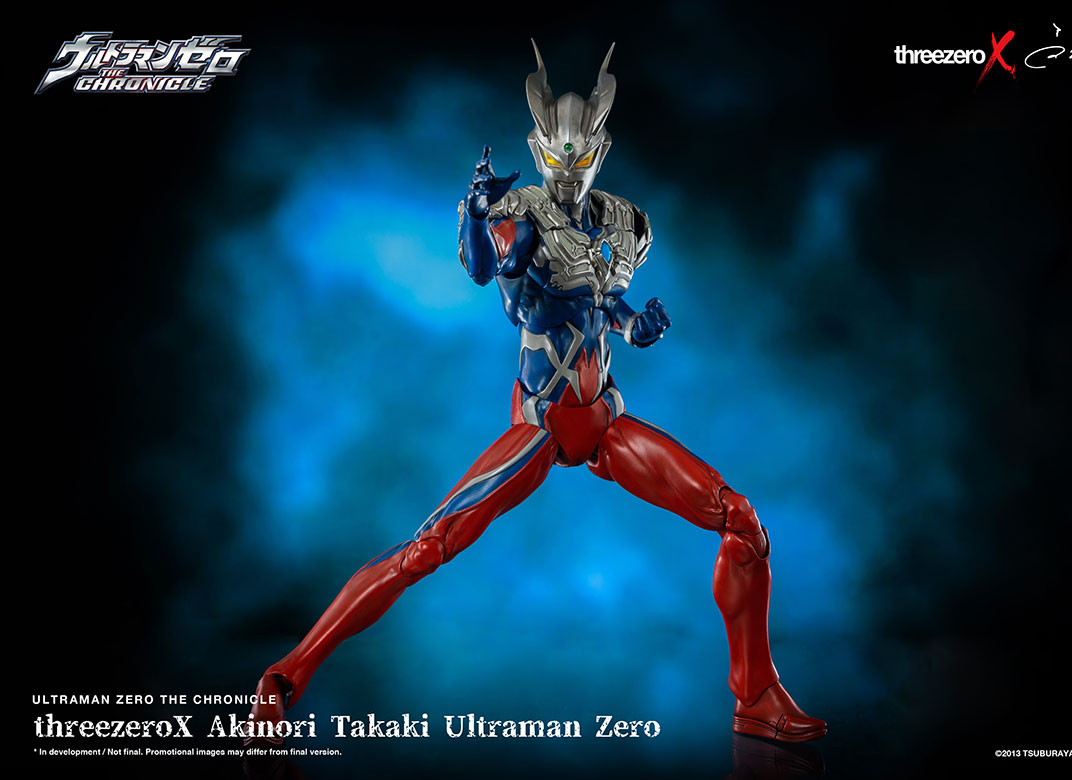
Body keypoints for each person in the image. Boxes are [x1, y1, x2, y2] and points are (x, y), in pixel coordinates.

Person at [246, 41, 827, 746]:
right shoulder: (517, 217)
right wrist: (474, 209)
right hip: (542, 425)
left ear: (599, 155)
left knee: (741, 521)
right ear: (540, 151)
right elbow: (484, 267)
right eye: (558, 158)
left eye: (581, 160)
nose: (568, 173)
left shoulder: (619, 222)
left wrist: (636, 325)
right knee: (426, 549)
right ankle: (283, 677)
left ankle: (756, 697)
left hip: (606, 422)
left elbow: (603, 303)